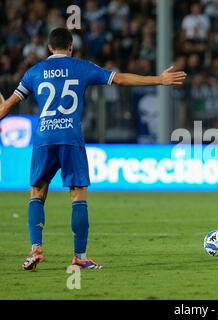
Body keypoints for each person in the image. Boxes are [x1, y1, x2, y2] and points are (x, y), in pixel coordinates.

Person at [0, 28, 186, 270]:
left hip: (44, 137)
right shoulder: (81, 67)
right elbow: (119, 79)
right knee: (78, 196)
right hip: (70, 136)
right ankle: (79, 257)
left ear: (48, 48)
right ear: (70, 47)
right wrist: (158, 80)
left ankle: (36, 249)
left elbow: (7, 107)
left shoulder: (34, 72)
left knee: (37, 192)